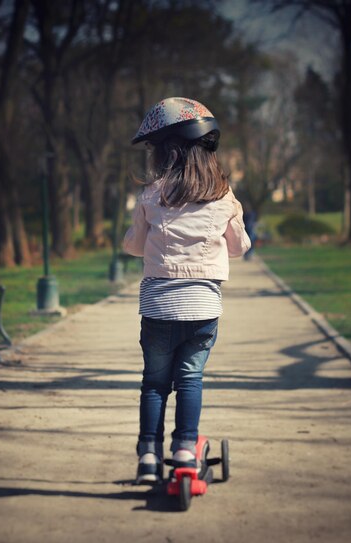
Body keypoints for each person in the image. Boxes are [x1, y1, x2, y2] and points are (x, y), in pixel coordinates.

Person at [122, 97, 251, 484]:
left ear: (166, 152)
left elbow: (132, 246)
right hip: (202, 310)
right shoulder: (223, 196)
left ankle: (147, 456)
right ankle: (184, 449)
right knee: (190, 380)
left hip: (159, 308)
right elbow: (239, 248)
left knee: (155, 383)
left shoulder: (151, 195)